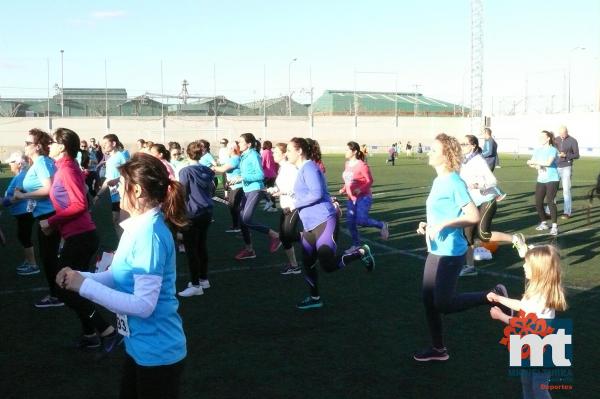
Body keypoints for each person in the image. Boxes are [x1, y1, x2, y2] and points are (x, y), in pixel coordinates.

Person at [57, 152, 187, 398]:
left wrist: (84, 286)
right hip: (139, 345)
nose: (116, 186)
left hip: (158, 352)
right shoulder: (135, 227)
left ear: (136, 190)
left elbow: (143, 305)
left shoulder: (149, 235)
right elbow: (117, 275)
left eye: (121, 182)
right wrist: (79, 277)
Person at [414, 133, 508, 362]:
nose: (429, 153)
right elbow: (444, 212)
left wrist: (444, 224)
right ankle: (438, 349)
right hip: (436, 249)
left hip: (451, 252)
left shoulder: (454, 181)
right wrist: (428, 225)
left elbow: (472, 215)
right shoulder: (439, 181)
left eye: (434, 150)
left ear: (446, 155)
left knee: (443, 304)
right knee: (429, 301)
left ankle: (492, 295)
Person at [41, 128, 118, 350]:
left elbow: (79, 204)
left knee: (64, 286)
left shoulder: (66, 170)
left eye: (52, 141)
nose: (49, 144)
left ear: (62, 146)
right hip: (77, 235)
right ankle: (90, 334)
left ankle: (107, 330)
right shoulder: (64, 167)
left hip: (81, 236)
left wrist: (52, 221)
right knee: (75, 286)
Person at [287, 137, 375, 310]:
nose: (286, 154)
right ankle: (315, 298)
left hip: (323, 221)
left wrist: (294, 204)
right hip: (309, 225)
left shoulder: (309, 167)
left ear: (299, 151)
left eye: (289, 150)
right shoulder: (304, 169)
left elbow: (316, 193)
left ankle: (362, 252)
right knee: (308, 262)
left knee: (327, 265)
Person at [488, 245, 567, 399]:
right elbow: (521, 305)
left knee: (539, 389)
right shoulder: (537, 291)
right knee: (526, 382)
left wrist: (500, 316)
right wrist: (499, 299)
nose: (523, 266)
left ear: (538, 270)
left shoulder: (541, 298)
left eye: (527, 264)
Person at [458, 135, 528, 277]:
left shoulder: (478, 160)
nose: (462, 146)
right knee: (467, 235)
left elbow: (492, 180)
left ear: (473, 146)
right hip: (471, 202)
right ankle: (470, 267)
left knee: (483, 234)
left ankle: (515, 239)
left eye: (464, 144)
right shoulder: (464, 161)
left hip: (486, 199)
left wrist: (478, 185)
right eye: (461, 143)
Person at [13, 129, 63, 308]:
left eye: (28, 143)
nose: (25, 146)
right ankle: (59, 292)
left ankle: (58, 295)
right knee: (49, 256)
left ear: (38, 146)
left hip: (49, 215)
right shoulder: (39, 162)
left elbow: (48, 190)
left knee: (49, 257)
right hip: (44, 214)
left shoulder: (42, 161)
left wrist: (23, 196)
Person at [231, 133, 280, 260]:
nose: (239, 144)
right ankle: (249, 250)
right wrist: (237, 179)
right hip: (247, 189)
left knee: (246, 219)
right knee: (242, 221)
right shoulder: (244, 156)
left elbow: (260, 175)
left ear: (249, 144)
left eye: (241, 142)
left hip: (255, 190)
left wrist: (242, 177)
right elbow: (247, 174)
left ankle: (274, 235)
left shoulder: (253, 155)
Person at [177, 143, 215, 297]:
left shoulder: (185, 171)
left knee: (191, 248)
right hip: (207, 211)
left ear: (187, 154)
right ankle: (203, 279)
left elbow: (182, 191)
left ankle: (195, 284)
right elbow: (212, 189)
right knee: (201, 245)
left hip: (192, 213)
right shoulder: (207, 170)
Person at [340, 141, 389, 253]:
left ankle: (382, 224)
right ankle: (356, 245)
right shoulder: (347, 164)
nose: (345, 152)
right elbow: (348, 180)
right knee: (350, 222)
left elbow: (370, 180)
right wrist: (343, 189)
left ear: (354, 152)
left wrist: (360, 189)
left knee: (361, 220)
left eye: (347, 149)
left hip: (364, 197)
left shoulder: (362, 165)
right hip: (351, 199)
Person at [266, 142, 301, 275]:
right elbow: (282, 186)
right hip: (285, 206)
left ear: (284, 154)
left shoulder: (290, 168)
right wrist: (274, 189)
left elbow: (296, 189)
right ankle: (294, 266)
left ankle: (317, 239)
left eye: (275, 152)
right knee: (285, 237)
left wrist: (282, 192)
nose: (273, 154)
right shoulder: (282, 168)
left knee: (287, 236)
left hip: (293, 206)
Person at [2, 151, 37, 272]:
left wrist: (3, 202)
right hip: (22, 212)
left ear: (19, 164)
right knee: (22, 236)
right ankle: (28, 262)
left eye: (12, 162)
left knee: (24, 237)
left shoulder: (22, 176)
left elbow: (18, 196)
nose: (10, 165)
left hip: (25, 212)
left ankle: (32, 265)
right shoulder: (19, 176)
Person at [527, 130, 560, 236]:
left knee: (550, 201)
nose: (540, 139)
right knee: (538, 202)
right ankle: (544, 223)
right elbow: (532, 163)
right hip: (541, 179)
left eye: (542, 137)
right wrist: (532, 164)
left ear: (548, 138)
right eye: (539, 137)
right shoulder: (537, 150)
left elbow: (548, 163)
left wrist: (534, 163)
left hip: (552, 179)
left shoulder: (552, 150)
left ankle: (554, 226)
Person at [96, 134, 128, 238]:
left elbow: (129, 175)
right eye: (102, 144)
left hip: (121, 194)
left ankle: (125, 247)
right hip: (113, 195)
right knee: (116, 221)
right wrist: (99, 195)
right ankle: (122, 247)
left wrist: (117, 180)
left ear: (113, 143)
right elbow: (108, 179)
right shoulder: (110, 158)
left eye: (105, 144)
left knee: (120, 221)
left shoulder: (121, 156)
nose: (103, 146)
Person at [212, 141, 243, 233]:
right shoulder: (235, 158)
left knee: (234, 207)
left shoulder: (235, 158)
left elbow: (223, 169)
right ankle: (237, 226)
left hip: (237, 186)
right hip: (234, 186)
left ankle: (237, 226)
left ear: (232, 149)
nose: (227, 150)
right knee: (233, 206)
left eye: (228, 148)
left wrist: (213, 168)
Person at [554, 126, 579, 219]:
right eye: (560, 133)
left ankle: (567, 212)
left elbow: (577, 155)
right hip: (555, 167)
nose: (562, 135)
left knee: (566, 190)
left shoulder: (573, 140)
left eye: (564, 133)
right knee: (552, 190)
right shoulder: (555, 140)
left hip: (566, 167)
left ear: (567, 132)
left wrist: (566, 155)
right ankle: (549, 211)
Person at [261, 140, 279, 212]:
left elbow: (262, 164)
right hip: (273, 174)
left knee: (260, 189)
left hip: (267, 174)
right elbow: (276, 164)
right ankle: (273, 207)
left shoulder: (264, 152)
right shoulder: (272, 153)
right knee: (271, 190)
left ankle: (268, 202)